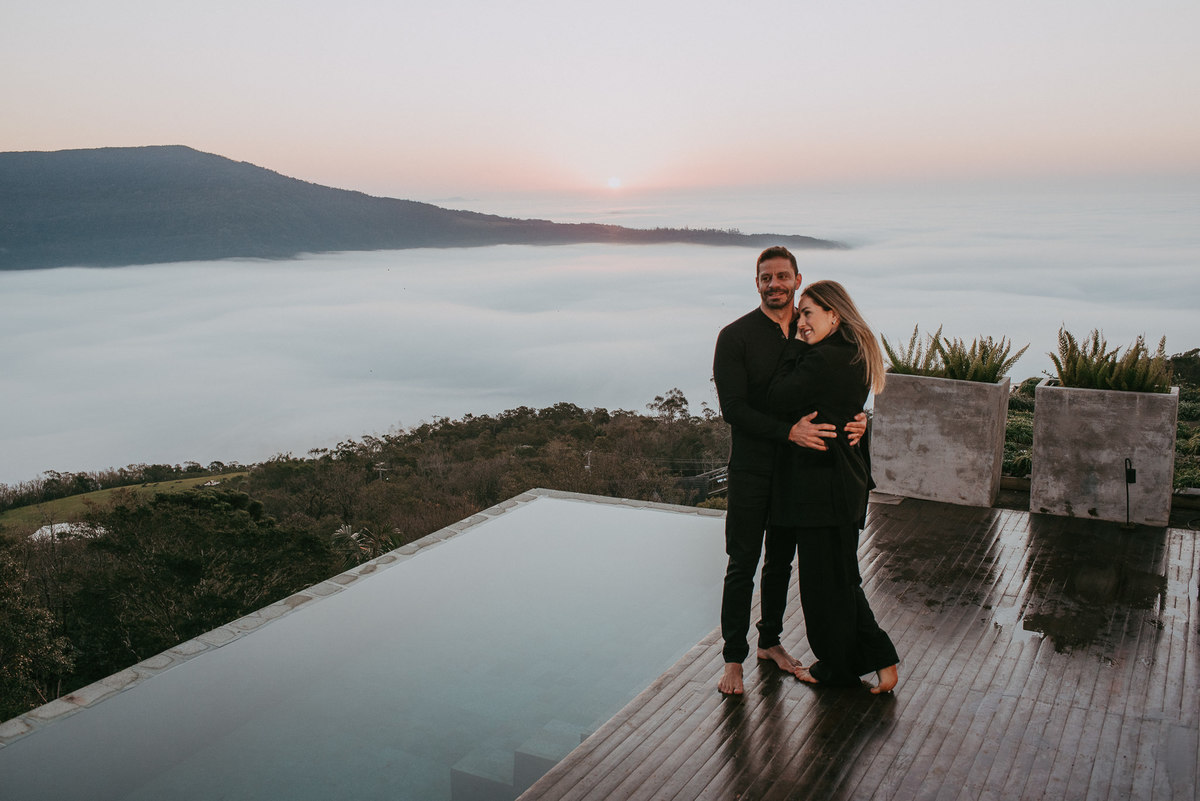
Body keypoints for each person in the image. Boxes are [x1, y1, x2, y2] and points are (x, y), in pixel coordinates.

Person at [712, 247, 865, 696]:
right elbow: (733, 409)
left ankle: (770, 642)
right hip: (753, 469)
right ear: (756, 283)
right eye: (765, 278)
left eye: (782, 276)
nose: (774, 284)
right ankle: (734, 659)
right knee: (743, 562)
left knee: (781, 561)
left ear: (798, 279)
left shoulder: (815, 324)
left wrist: (859, 418)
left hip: (800, 474)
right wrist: (788, 433)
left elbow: (840, 379)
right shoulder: (735, 336)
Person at [767, 279, 899, 693]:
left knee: (824, 586)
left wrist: (792, 343)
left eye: (807, 314)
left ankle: (839, 667)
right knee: (840, 579)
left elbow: (774, 397)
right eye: (798, 315)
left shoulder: (821, 359)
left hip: (822, 487)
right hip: (845, 482)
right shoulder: (855, 354)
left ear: (833, 315)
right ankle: (879, 661)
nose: (800, 322)